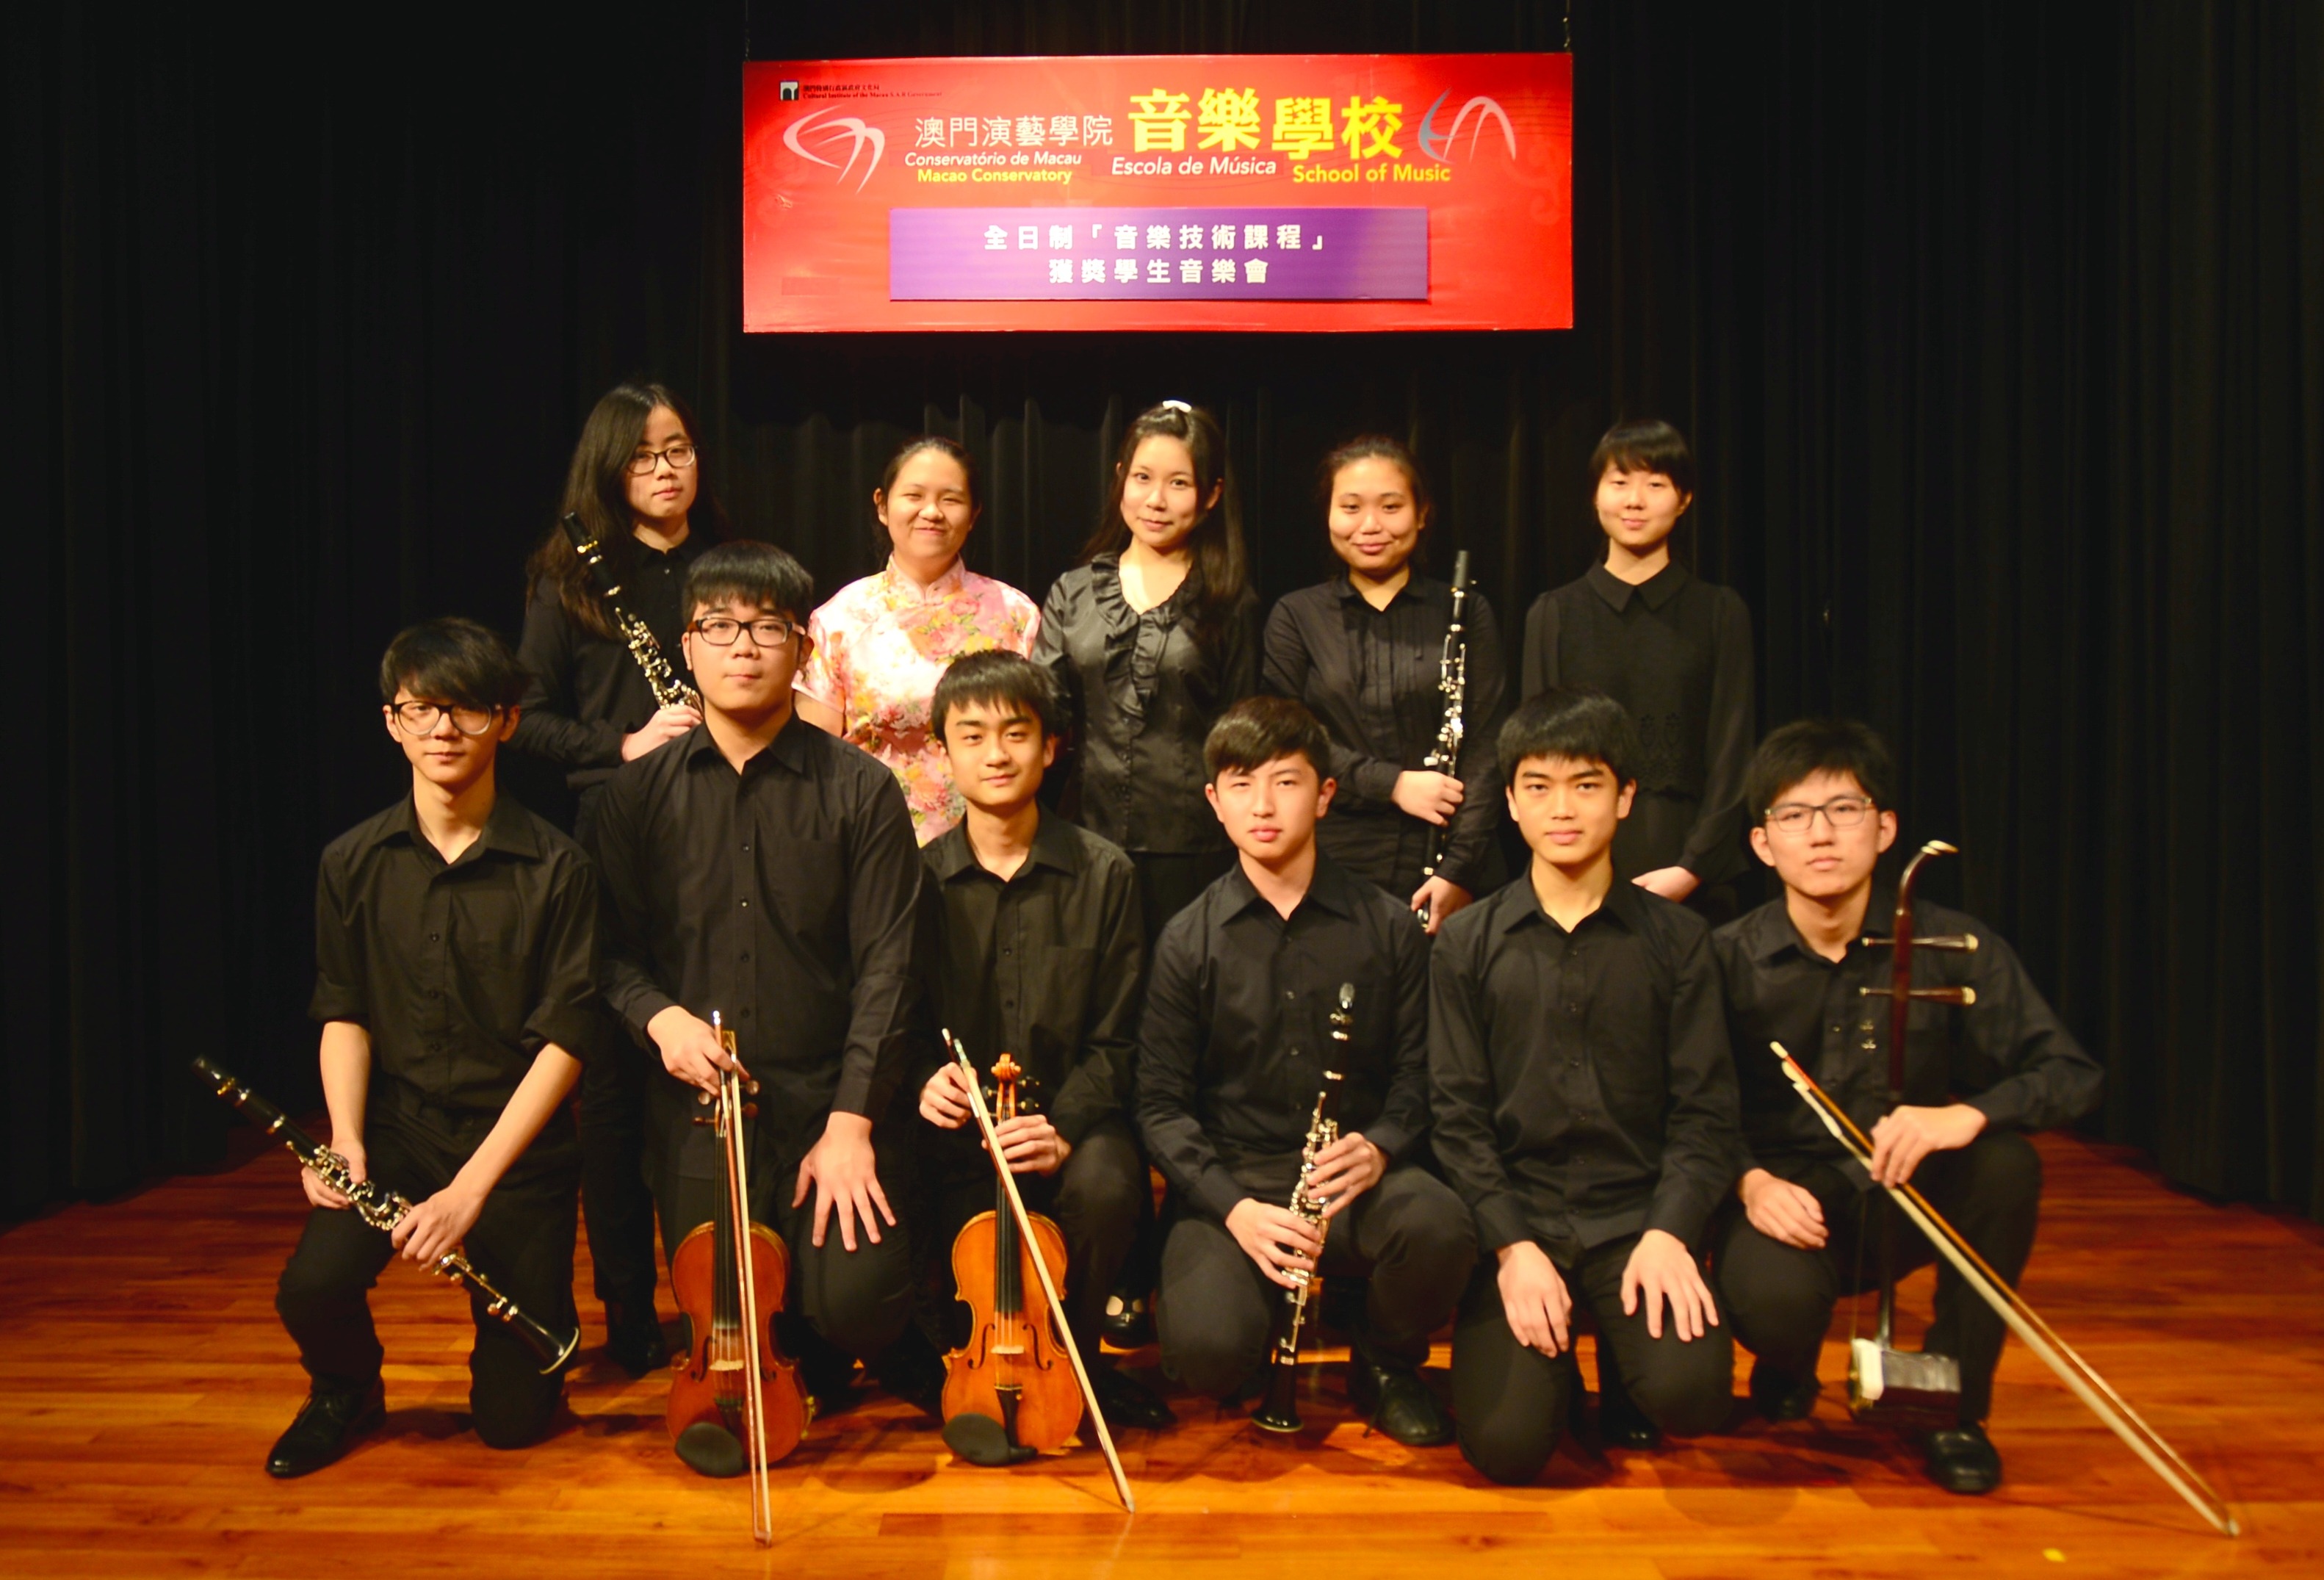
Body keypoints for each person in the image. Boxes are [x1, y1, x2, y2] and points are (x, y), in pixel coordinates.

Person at [588, 541, 930, 1476]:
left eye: (767, 628)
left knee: (859, 1301)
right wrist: (658, 1018)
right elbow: (605, 952)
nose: (743, 646)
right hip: (703, 1113)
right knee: (723, 1302)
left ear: (800, 651)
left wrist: (852, 1122)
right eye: (720, 627)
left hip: (825, 1102)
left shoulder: (859, 789)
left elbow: (889, 968)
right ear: (687, 648)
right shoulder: (635, 795)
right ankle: (795, 1353)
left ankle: (833, 1339)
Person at [1707, 718, 2103, 1495]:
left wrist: (1964, 1115)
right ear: (1762, 844)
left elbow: (2071, 1073)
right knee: (1775, 1304)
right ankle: (1787, 1359)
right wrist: (1749, 1182)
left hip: (1903, 1190)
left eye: (1843, 810)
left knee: (2004, 1166)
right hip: (1784, 1199)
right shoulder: (1722, 959)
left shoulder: (1950, 946)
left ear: (1884, 828)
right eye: (1794, 815)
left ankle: (1954, 1409)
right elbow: (1685, 1103)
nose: (1821, 834)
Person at [270, 618, 600, 1477]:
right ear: (393, 722)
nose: (443, 729)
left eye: (466, 709)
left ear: (507, 721)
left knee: (512, 1423)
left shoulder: (559, 867)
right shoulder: (352, 860)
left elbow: (566, 1040)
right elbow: (343, 1010)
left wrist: (468, 1192)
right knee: (310, 1289)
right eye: (421, 709)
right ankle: (345, 1389)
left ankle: (529, 1338)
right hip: (399, 1127)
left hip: (514, 1148)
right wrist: (346, 1140)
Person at [1137, 697, 1476, 1446]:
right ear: (1214, 802)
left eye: (1285, 782)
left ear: (1324, 795)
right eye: (1241, 784)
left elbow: (1422, 1074)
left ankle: (1383, 1362)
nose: (1262, 806)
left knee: (1440, 1227)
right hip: (1236, 1185)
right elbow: (1159, 1105)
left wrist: (1381, 1146)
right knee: (1207, 1355)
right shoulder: (1187, 940)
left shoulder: (1389, 926)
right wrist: (1234, 1208)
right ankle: (1252, 1329)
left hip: (1351, 1177)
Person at [1431, 688, 1739, 1485]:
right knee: (1505, 1449)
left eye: (1585, 784)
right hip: (1520, 1219)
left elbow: (1706, 1114)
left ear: (1626, 796)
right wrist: (1511, 1246)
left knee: (1690, 1397)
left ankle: (1620, 1358)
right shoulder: (1466, 943)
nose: (1561, 808)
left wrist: (1670, 1232)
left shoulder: (1680, 941)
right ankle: (1557, 1371)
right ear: (1510, 801)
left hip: (1635, 1218)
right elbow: (1457, 1118)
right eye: (1537, 786)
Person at [513, 380, 724, 1375]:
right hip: (615, 832)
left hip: (719, 827)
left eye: (677, 448)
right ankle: (629, 1308)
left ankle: (723, 1290)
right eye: (642, 455)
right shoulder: (569, 577)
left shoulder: (724, 564)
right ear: (609, 468)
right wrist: (626, 742)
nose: (665, 469)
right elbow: (527, 717)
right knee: (611, 1095)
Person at [912, 650, 1176, 1442]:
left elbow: (1120, 1037)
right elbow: (900, 1019)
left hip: (1069, 1118)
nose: (995, 754)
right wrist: (925, 1079)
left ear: (1051, 746)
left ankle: (1073, 1362)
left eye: (1016, 733)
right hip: (959, 1128)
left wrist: (1060, 1128)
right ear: (944, 752)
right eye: (972, 736)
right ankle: (950, 1362)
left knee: (1106, 1185)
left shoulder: (1105, 873)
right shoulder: (915, 880)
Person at [1034, 400, 1260, 949]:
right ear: (1120, 478)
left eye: (1178, 483)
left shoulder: (1229, 600)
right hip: (1085, 836)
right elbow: (1044, 713)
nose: (1156, 499)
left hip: (1194, 846)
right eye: (1142, 478)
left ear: (1211, 494)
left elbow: (1242, 731)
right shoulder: (1073, 591)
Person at [1264, 435, 1505, 935]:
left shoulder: (1466, 611)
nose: (1370, 525)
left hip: (1449, 858)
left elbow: (1487, 745)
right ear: (1328, 514)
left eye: (1391, 507)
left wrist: (1459, 869)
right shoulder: (1296, 615)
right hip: (1331, 861)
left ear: (1422, 514)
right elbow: (1289, 740)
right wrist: (1392, 785)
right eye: (1351, 507)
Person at [1519, 420, 1753, 917]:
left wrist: (1692, 868)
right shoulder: (1554, 613)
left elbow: (1733, 753)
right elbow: (1535, 757)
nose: (1635, 501)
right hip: (1576, 869)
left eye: (1656, 484)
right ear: (1595, 495)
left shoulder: (1719, 611)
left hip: (1692, 873)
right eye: (1620, 482)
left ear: (1684, 500)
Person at [795, 437, 1040, 845]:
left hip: (993, 844)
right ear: (882, 505)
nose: (932, 512)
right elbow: (814, 753)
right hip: (870, 837)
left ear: (974, 514)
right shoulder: (839, 618)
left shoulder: (1016, 614)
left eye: (951, 499)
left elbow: (1039, 739)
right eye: (914, 496)